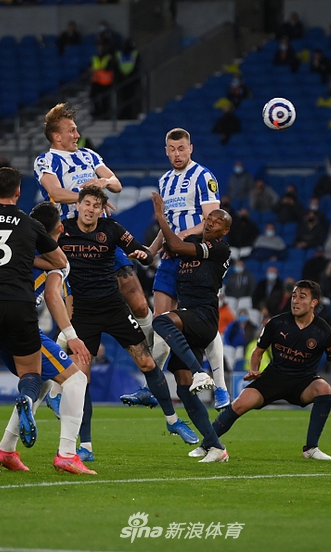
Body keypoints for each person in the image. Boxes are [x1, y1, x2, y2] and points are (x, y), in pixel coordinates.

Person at [61, 185, 198, 453]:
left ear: (102, 210)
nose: (90, 209)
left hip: (114, 309)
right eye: (86, 204)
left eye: (96, 206)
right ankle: (85, 445)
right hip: (83, 315)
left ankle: (172, 420)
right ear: (78, 205)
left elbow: (144, 255)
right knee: (81, 380)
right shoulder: (61, 231)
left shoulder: (111, 229)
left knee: (147, 362)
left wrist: (141, 254)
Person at [0, 167, 67, 471]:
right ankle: (24, 401)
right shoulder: (30, 224)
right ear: (18, 192)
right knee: (32, 373)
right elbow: (59, 261)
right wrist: (27, 257)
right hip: (19, 303)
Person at [33, 103, 155, 350]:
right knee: (73, 317)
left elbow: (116, 184)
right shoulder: (45, 160)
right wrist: (88, 196)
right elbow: (55, 193)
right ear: (57, 136)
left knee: (140, 304)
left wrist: (101, 182)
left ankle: (156, 351)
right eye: (72, 130)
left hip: (102, 235)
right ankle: (62, 376)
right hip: (69, 239)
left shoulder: (89, 155)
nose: (77, 135)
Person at [124, 128, 231, 409]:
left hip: (197, 258)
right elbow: (166, 225)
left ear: (191, 148)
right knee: (161, 322)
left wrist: (181, 237)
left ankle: (220, 388)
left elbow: (212, 220)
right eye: (171, 149)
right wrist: (151, 250)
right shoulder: (165, 181)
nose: (177, 154)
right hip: (171, 260)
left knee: (204, 321)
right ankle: (153, 386)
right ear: (166, 150)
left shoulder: (203, 177)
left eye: (181, 148)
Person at [0, 201, 96, 475]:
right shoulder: (56, 260)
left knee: (42, 383)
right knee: (76, 379)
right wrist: (71, 336)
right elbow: (52, 296)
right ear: (60, 228)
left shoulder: (16, 248)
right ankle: (68, 454)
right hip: (22, 328)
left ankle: (5, 449)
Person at [211, 280, 331, 460]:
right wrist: (254, 369)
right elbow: (257, 351)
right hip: (273, 377)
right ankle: (208, 442)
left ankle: (311, 449)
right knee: (239, 403)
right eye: (294, 296)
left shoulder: (325, 333)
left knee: (324, 389)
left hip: (303, 382)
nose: (295, 301)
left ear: (314, 302)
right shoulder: (276, 323)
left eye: (302, 297)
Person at [149, 192, 233, 462]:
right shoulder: (196, 241)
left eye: (217, 221)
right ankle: (215, 446)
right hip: (189, 323)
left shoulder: (220, 249)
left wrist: (162, 217)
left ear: (225, 230)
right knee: (184, 389)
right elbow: (171, 247)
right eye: (209, 218)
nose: (211, 223)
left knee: (161, 320)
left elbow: (175, 244)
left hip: (204, 316)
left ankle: (202, 373)